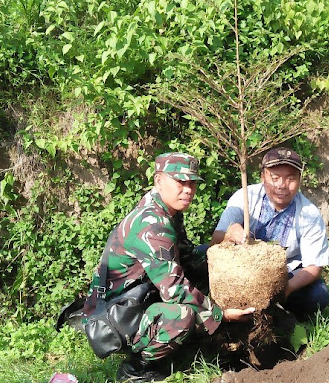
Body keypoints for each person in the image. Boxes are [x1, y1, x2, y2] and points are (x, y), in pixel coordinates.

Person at [81, 152, 255, 383]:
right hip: (116, 315)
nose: (188, 189)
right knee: (182, 316)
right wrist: (220, 315)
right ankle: (138, 369)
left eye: (192, 183)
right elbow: (175, 290)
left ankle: (195, 341)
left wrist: (227, 257)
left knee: (201, 277)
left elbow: (189, 260)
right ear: (159, 180)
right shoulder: (152, 224)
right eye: (180, 182)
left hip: (138, 298)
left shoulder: (167, 211)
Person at [208, 147, 329, 319]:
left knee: (318, 295)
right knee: (199, 254)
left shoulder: (309, 213)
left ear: (300, 180)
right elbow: (215, 240)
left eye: (290, 179)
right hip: (239, 272)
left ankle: (279, 311)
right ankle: (221, 308)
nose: (282, 185)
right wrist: (230, 233)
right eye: (275, 178)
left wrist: (284, 290)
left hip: (284, 277)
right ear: (262, 177)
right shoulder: (245, 197)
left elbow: (314, 266)